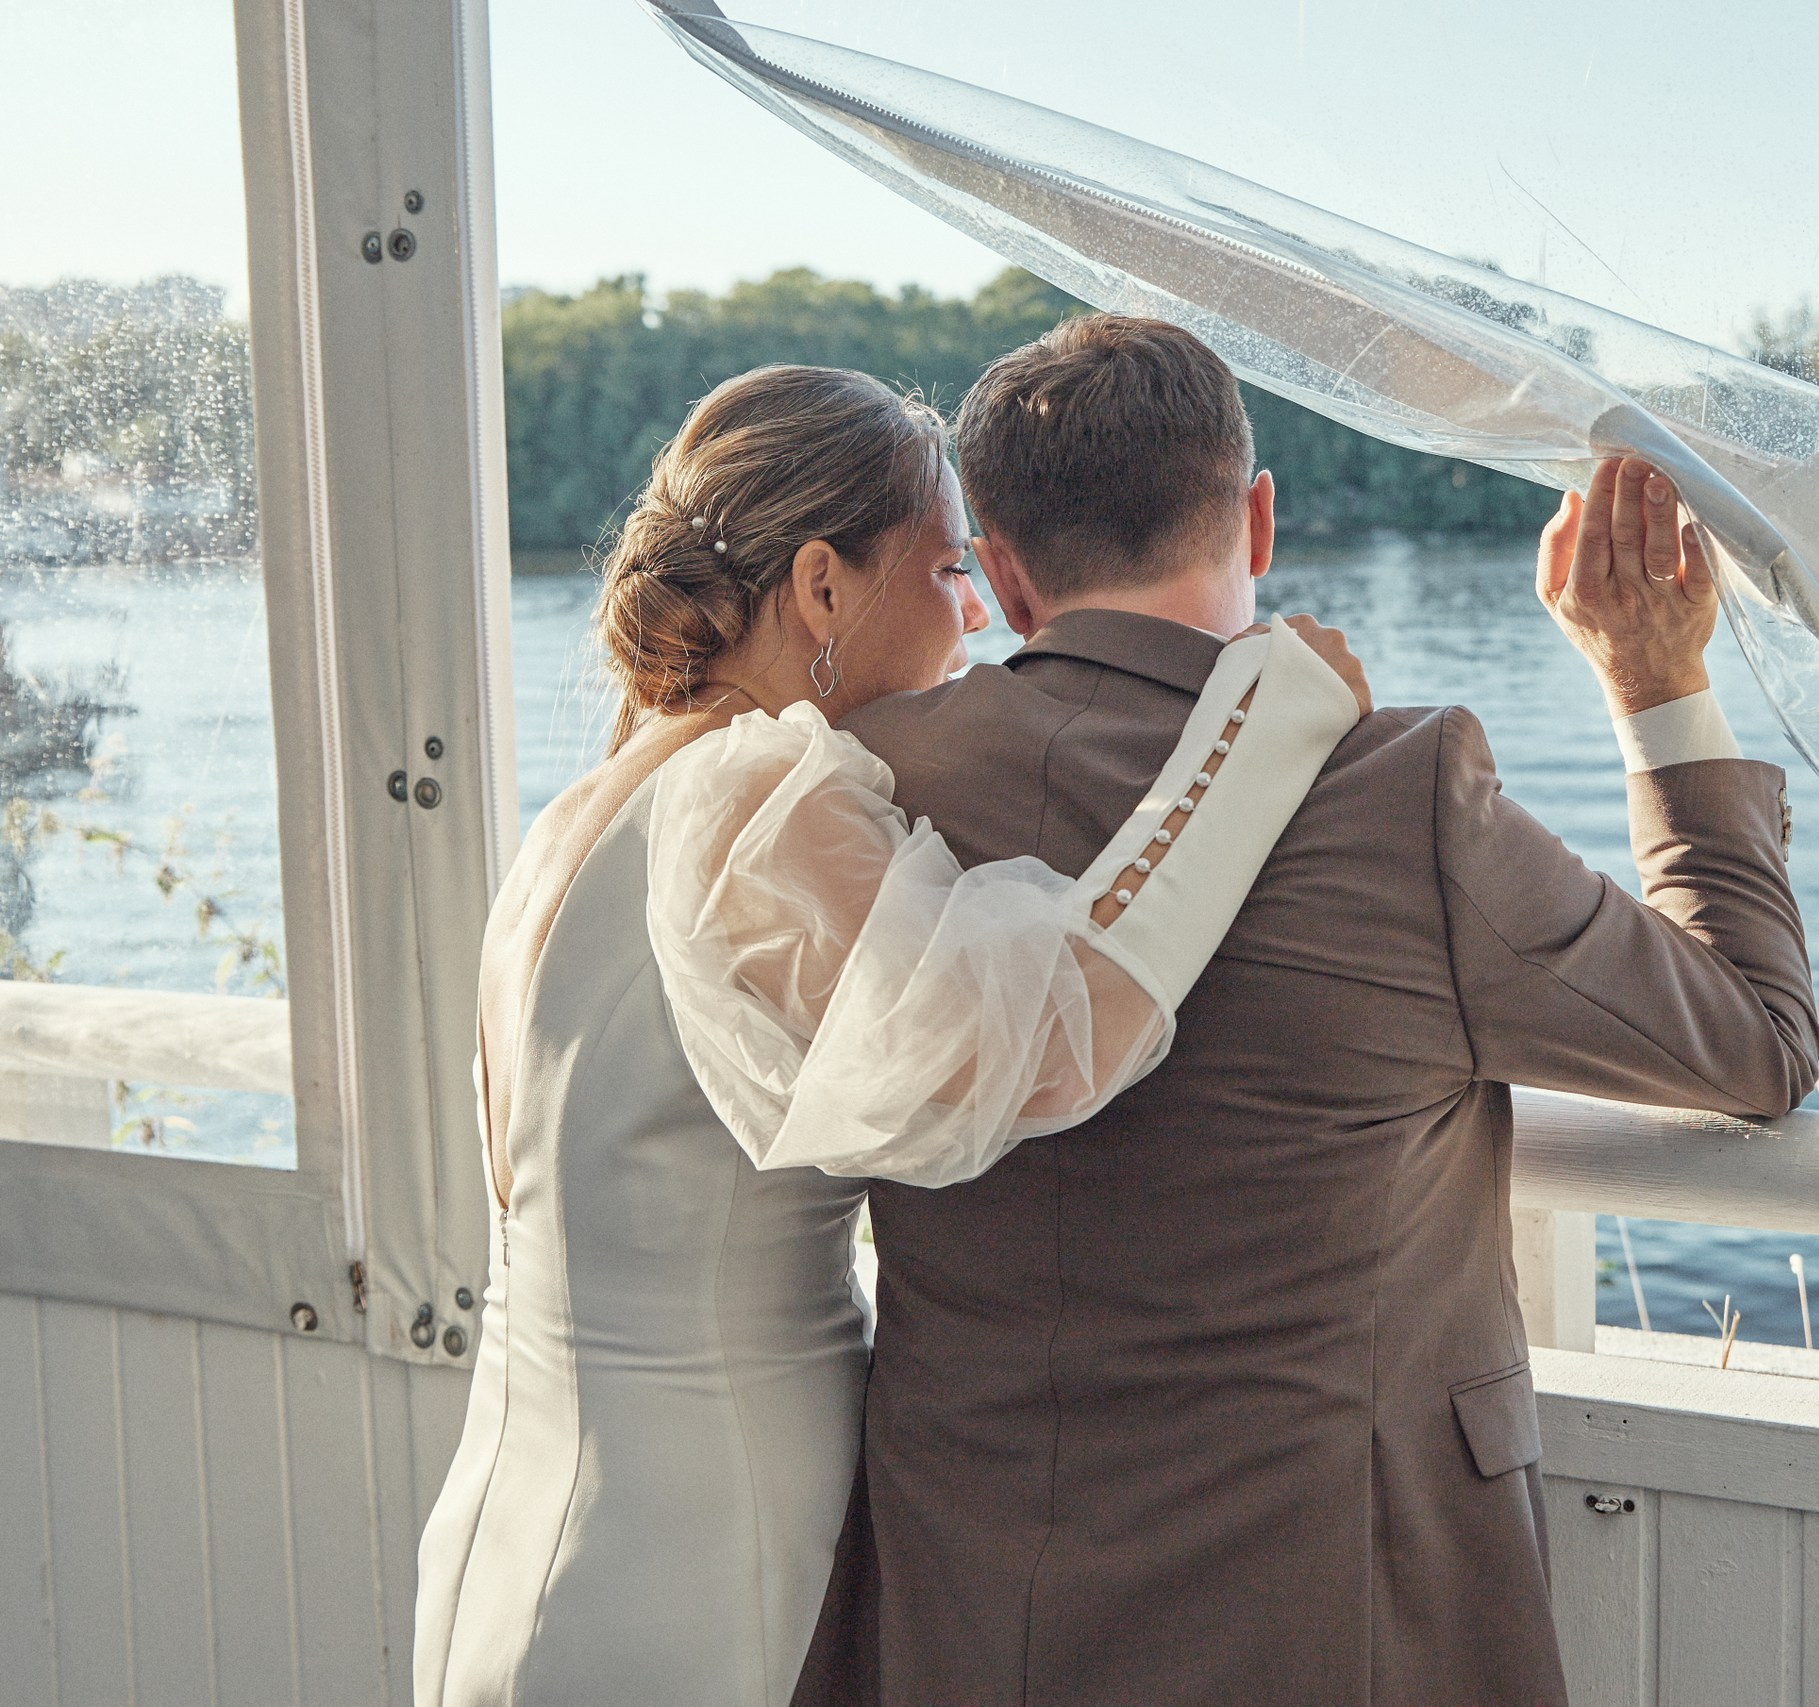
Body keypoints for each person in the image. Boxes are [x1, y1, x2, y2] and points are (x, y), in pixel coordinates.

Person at [806, 317, 1819, 1706]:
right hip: (1343, 1613)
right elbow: (1754, 1044)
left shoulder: (861, 782)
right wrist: (1655, 685)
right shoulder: (1395, 792)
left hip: (967, 1608)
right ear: (1259, 515)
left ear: (1006, 571)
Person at [410, 362, 1370, 1707]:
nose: (972, 629)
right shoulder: (752, 796)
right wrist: (1264, 734)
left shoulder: (581, 813)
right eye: (942, 578)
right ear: (820, 587)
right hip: (709, 1544)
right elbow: (1039, 1048)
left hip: (508, 1527)